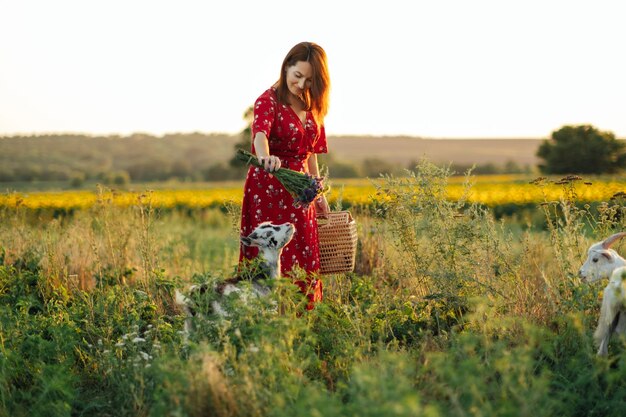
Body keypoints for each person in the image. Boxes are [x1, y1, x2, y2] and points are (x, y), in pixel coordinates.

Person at [239, 41, 331, 309]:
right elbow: (260, 135)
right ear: (286, 67)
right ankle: (267, 322)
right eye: (297, 76)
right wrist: (265, 156)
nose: (301, 85)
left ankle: (301, 321)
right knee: (274, 258)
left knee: (304, 256)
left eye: (309, 80)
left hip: (301, 190)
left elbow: (311, 151)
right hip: (271, 186)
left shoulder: (312, 104)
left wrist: (319, 193)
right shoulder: (268, 101)